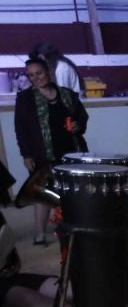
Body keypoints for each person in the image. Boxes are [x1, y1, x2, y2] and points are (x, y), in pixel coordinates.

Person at [11, 55, 89, 247]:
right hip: (42, 153)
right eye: (31, 75)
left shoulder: (67, 94)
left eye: (39, 73)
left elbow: (82, 117)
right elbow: (21, 129)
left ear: (48, 72)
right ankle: (39, 234)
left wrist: (78, 125)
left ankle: (74, 228)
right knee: (44, 194)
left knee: (73, 192)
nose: (36, 77)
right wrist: (26, 154)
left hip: (72, 150)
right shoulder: (25, 99)